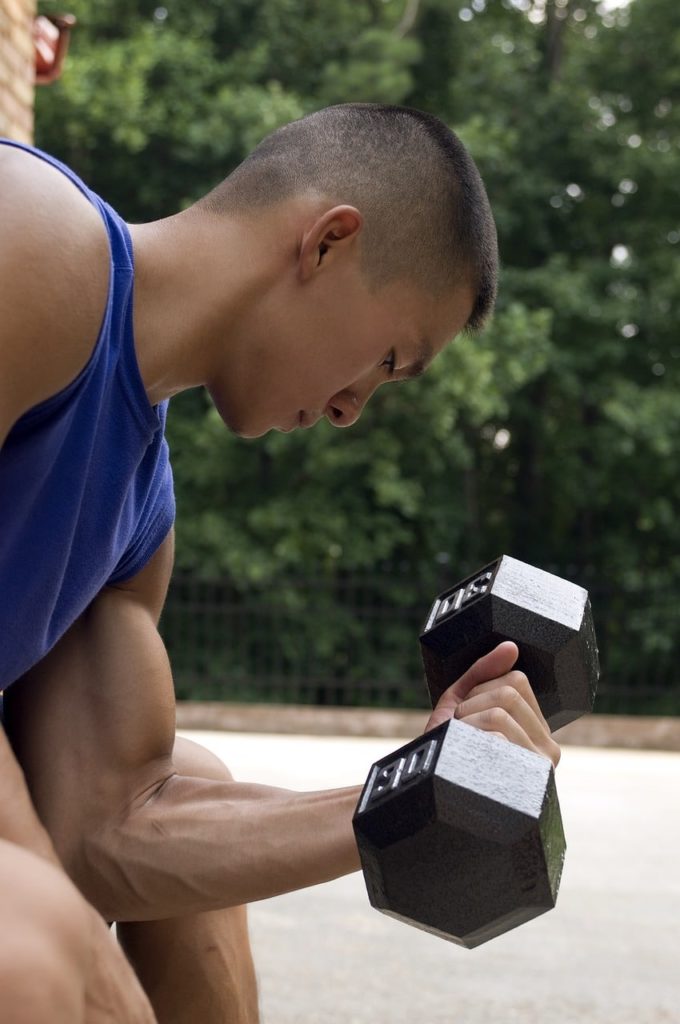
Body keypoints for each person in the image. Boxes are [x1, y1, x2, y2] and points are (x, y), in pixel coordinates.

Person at [0, 104, 561, 1023]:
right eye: (388, 358)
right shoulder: (31, 229)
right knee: (31, 951)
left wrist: (411, 789)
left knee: (193, 782)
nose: (352, 410)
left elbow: (104, 824)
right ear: (330, 242)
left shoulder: (139, 508)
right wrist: (77, 955)